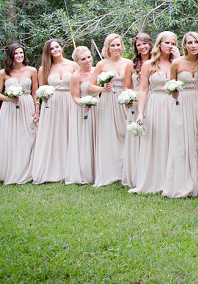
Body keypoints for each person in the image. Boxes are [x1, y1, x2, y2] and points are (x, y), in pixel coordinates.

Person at [162, 32, 198, 198]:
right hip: (181, 105)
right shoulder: (176, 63)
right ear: (184, 46)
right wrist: (173, 92)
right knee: (182, 143)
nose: (194, 45)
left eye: (196, 42)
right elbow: (171, 85)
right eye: (190, 42)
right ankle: (184, 183)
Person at [132, 31, 177, 194]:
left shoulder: (178, 63)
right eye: (167, 43)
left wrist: (178, 59)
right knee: (157, 140)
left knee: (174, 139)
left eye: (173, 43)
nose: (170, 46)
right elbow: (143, 89)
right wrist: (140, 113)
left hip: (174, 103)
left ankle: (174, 178)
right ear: (159, 44)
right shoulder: (148, 65)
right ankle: (156, 179)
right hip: (156, 104)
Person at [32, 38, 79, 183]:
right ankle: (53, 169)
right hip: (52, 105)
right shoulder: (44, 68)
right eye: (52, 49)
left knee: (70, 132)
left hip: (70, 101)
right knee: (54, 135)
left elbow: (81, 82)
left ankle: (71, 168)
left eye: (57, 47)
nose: (55, 50)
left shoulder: (73, 65)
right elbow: (40, 90)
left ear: (62, 47)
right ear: (48, 52)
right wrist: (38, 110)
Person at [0, 43, 38, 185]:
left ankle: (28, 171)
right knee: (11, 138)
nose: (19, 56)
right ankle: (11, 171)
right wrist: (9, 98)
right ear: (11, 55)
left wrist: (37, 110)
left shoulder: (32, 70)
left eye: (21, 53)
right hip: (10, 108)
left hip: (27, 105)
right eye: (16, 53)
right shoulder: (3, 73)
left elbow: (35, 92)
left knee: (28, 136)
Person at [90, 33, 133, 187]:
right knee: (109, 136)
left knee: (124, 133)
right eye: (112, 45)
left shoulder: (129, 63)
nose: (116, 48)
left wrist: (129, 97)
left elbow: (132, 83)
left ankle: (126, 171)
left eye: (118, 45)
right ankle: (110, 172)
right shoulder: (101, 64)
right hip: (107, 101)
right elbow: (90, 85)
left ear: (122, 46)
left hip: (124, 99)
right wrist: (103, 88)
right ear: (107, 47)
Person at [123, 33, 152, 188]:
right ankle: (137, 173)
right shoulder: (131, 65)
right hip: (136, 102)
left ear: (150, 44)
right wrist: (128, 97)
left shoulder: (157, 60)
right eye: (139, 45)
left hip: (154, 100)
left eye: (144, 44)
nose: (142, 47)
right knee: (137, 137)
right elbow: (127, 85)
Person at [65, 46, 96, 185]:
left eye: (89, 57)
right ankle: (85, 171)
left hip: (98, 108)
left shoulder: (97, 71)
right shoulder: (75, 76)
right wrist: (84, 103)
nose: (88, 60)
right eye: (83, 59)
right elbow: (75, 96)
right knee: (85, 138)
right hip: (82, 109)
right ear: (77, 61)